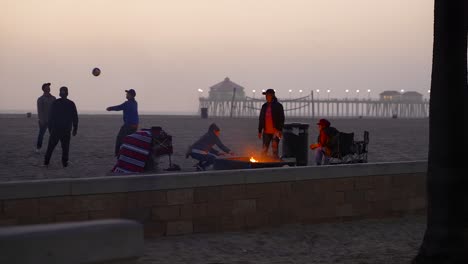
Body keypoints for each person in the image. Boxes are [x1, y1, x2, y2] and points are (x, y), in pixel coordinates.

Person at [44, 86, 78, 167]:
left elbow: (50, 117)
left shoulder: (55, 103)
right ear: (67, 94)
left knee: (51, 146)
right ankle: (64, 163)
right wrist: (75, 128)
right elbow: (75, 117)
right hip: (65, 129)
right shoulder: (71, 103)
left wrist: (50, 128)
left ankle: (46, 161)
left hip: (56, 129)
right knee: (65, 147)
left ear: (60, 93)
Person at [106, 89, 139, 156]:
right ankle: (128, 153)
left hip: (129, 125)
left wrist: (110, 108)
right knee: (130, 139)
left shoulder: (127, 103)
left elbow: (119, 107)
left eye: (127, 94)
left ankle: (118, 153)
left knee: (120, 138)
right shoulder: (135, 103)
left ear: (131, 95)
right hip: (135, 125)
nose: (126, 95)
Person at [258, 89, 285, 159]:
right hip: (266, 131)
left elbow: (282, 119)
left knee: (275, 150)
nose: (266, 97)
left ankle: (275, 165)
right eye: (266, 95)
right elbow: (261, 119)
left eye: (267, 95)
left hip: (275, 132)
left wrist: (279, 129)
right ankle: (263, 164)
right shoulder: (264, 106)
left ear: (272, 95)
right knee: (264, 149)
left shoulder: (278, 106)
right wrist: (260, 130)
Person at [36, 83, 56, 152]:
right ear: (44, 89)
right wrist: (41, 120)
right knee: (41, 135)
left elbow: (55, 109)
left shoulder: (53, 98)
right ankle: (38, 147)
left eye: (49, 87)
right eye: (47, 87)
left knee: (53, 135)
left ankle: (52, 147)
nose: (48, 88)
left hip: (52, 120)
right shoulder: (40, 99)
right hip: (43, 120)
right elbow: (40, 110)